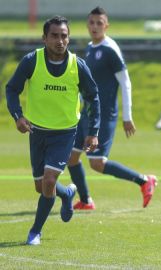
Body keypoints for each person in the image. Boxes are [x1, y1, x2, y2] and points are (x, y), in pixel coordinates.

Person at [5, 15, 101, 245]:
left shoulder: (77, 65)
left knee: (48, 181)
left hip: (65, 133)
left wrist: (93, 131)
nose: (60, 41)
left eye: (64, 36)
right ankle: (67, 193)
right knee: (42, 187)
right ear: (44, 38)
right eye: (55, 36)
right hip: (36, 132)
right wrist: (18, 116)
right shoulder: (31, 61)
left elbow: (93, 97)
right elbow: (12, 89)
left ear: (69, 38)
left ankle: (34, 232)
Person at [67, 6, 157, 210]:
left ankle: (144, 181)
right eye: (92, 22)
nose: (95, 26)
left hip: (104, 115)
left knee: (97, 163)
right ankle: (86, 200)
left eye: (100, 23)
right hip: (85, 114)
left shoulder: (109, 49)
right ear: (87, 25)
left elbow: (125, 82)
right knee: (71, 158)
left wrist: (128, 116)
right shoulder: (90, 48)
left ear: (107, 25)